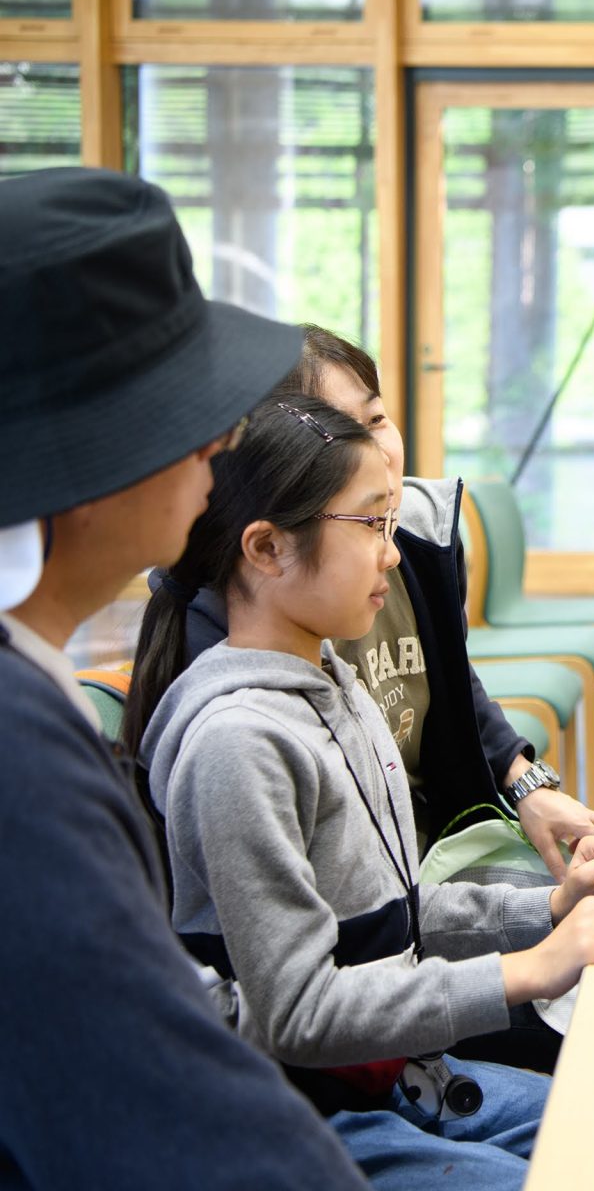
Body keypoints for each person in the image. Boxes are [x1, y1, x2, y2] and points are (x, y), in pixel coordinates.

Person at [123, 395, 594, 1186]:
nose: (393, 555)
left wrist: (546, 908)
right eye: (372, 526)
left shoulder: (334, 683)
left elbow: (389, 913)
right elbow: (301, 1014)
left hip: (392, 1079)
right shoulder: (239, 745)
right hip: (298, 1116)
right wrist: (530, 970)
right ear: (266, 548)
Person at [0, 166, 369, 1187]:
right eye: (182, 409)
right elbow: (163, 1113)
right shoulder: (18, 756)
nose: (218, 438)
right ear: (78, 459)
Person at [146, 324, 594, 881]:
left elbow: (447, 678)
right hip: (374, 891)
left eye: (376, 419)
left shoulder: (411, 539)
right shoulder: (240, 641)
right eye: (341, 433)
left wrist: (526, 786)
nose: (380, 453)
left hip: (430, 850)